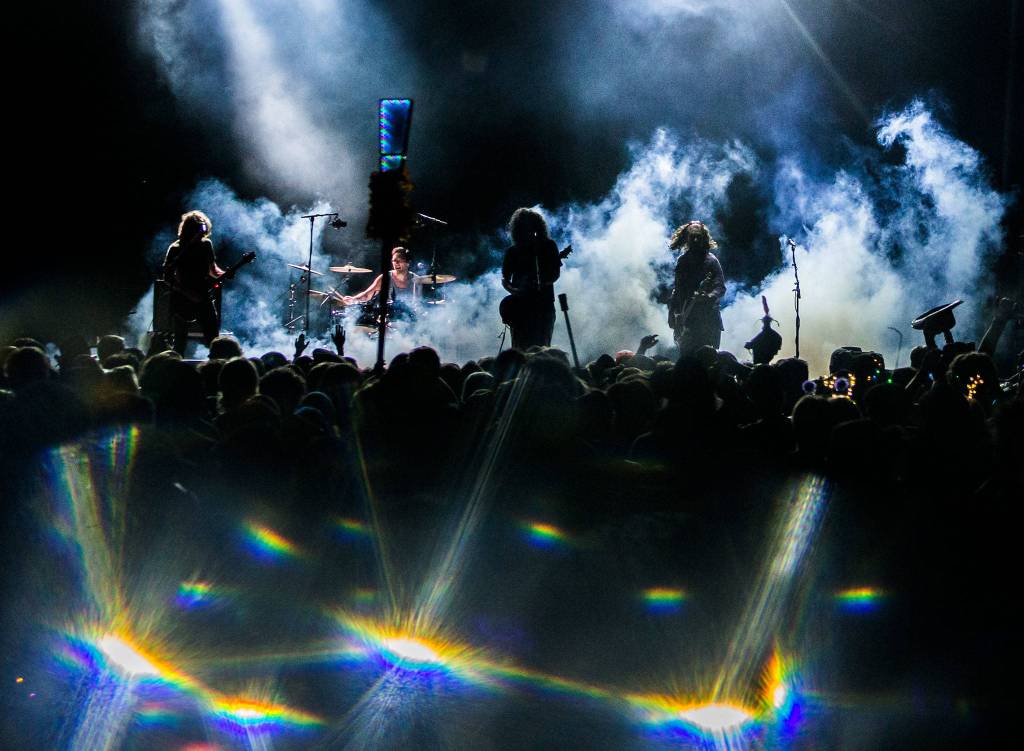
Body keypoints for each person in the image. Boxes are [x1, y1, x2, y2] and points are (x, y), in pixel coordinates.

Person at [162, 210, 225, 355]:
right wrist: (187, 293)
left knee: (213, 337)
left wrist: (225, 273)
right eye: (199, 229)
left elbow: (213, 270)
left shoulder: (206, 245)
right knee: (179, 341)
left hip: (203, 295)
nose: (203, 233)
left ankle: (215, 365)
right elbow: (167, 276)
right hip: (181, 298)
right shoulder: (176, 248)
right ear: (190, 230)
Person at [500, 208, 562, 350]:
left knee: (542, 346)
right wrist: (516, 291)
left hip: (543, 305)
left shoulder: (548, 246)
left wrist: (542, 282)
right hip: (520, 307)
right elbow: (505, 279)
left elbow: (555, 273)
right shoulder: (513, 251)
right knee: (520, 348)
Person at [668, 221, 726, 354]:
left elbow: (720, 287)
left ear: (703, 238)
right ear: (686, 238)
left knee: (707, 359)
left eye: (698, 236)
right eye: (692, 236)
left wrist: (708, 297)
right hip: (687, 320)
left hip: (708, 319)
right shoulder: (682, 261)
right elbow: (677, 290)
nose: (695, 239)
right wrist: (672, 313)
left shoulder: (711, 261)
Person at [342, 247, 418, 323]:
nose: (396, 263)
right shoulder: (385, 277)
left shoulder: (416, 279)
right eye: (394, 261)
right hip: (390, 319)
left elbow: (418, 303)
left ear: (408, 263)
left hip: (409, 319)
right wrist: (353, 299)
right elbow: (367, 295)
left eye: (400, 260)